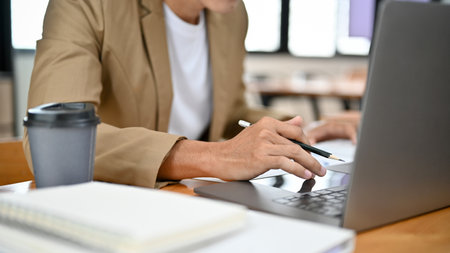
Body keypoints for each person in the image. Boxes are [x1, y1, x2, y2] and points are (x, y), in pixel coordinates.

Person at [24, 0, 357, 188]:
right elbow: (52, 141)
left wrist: (298, 133)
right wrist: (217, 158)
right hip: (117, 208)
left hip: (192, 200)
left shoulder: (231, 15)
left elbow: (230, 115)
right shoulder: (87, 5)